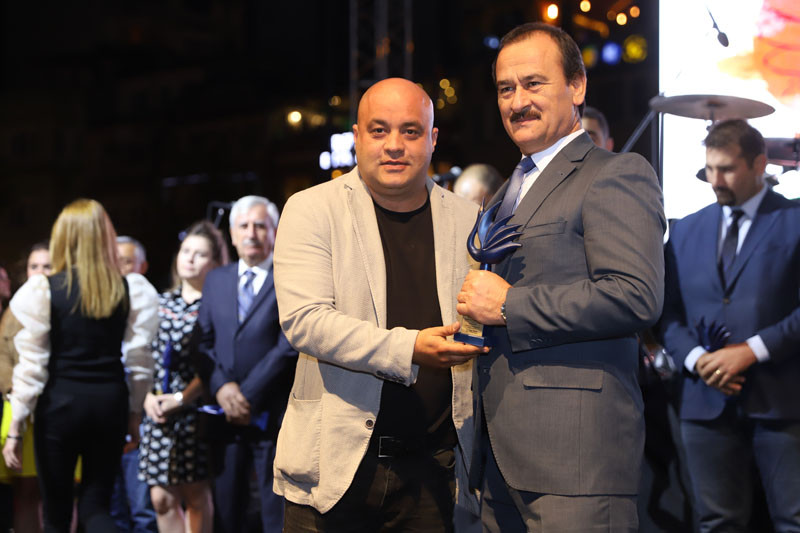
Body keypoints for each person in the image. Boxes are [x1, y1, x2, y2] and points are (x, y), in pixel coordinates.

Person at [456, 23, 665, 531]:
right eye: (506, 89)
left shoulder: (616, 173)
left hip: (576, 463)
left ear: (577, 86)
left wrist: (508, 306)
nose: (517, 101)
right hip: (498, 458)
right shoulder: (508, 190)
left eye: (533, 83)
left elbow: (635, 296)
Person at [273, 77, 483, 532]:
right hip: (334, 471)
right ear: (357, 137)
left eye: (410, 131)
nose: (394, 145)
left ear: (432, 139)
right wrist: (409, 349)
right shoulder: (311, 209)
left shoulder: (468, 218)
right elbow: (306, 322)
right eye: (379, 130)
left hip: (433, 471)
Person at [658, 119, 800, 532]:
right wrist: (696, 359)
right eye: (709, 169)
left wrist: (751, 350)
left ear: (759, 164)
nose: (715, 181)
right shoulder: (684, 230)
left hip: (782, 401)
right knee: (717, 523)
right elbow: (666, 312)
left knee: (793, 520)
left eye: (727, 169)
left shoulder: (794, 220)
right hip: (703, 402)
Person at [1, 198, 159, 532]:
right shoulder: (128, 288)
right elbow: (140, 360)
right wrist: (134, 415)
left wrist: (15, 426)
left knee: (56, 515)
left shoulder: (45, 289)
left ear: (62, 237)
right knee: (95, 508)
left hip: (59, 406)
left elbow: (32, 365)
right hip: (109, 405)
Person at [195, 195, 297, 533]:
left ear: (275, 232)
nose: (251, 233)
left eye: (260, 226)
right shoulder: (216, 279)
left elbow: (288, 344)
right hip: (224, 416)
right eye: (244, 226)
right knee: (227, 511)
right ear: (232, 234)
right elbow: (202, 343)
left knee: (276, 512)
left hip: (273, 413)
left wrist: (246, 395)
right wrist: (223, 388)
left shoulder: (290, 277)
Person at [139, 221, 228, 533]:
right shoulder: (158, 302)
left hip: (194, 409)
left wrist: (181, 398)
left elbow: (217, 363)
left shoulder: (215, 307)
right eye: (185, 250)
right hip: (157, 410)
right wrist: (145, 398)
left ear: (215, 263)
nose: (189, 258)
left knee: (196, 496)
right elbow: (141, 357)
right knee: (161, 498)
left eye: (200, 254)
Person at [0, 241, 51, 533]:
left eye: (47, 266)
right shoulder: (16, 308)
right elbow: (4, 358)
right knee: (26, 492)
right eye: (34, 266)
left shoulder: (64, 304)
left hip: (55, 405)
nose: (40, 272)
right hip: (19, 406)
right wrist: (14, 392)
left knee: (59, 491)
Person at [111, 235, 159, 533]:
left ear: (142, 266)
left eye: (126, 261)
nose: (119, 267)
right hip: (108, 410)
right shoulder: (104, 298)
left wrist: (136, 411)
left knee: (142, 508)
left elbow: (140, 358)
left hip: (139, 412)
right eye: (114, 260)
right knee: (112, 506)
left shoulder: (143, 295)